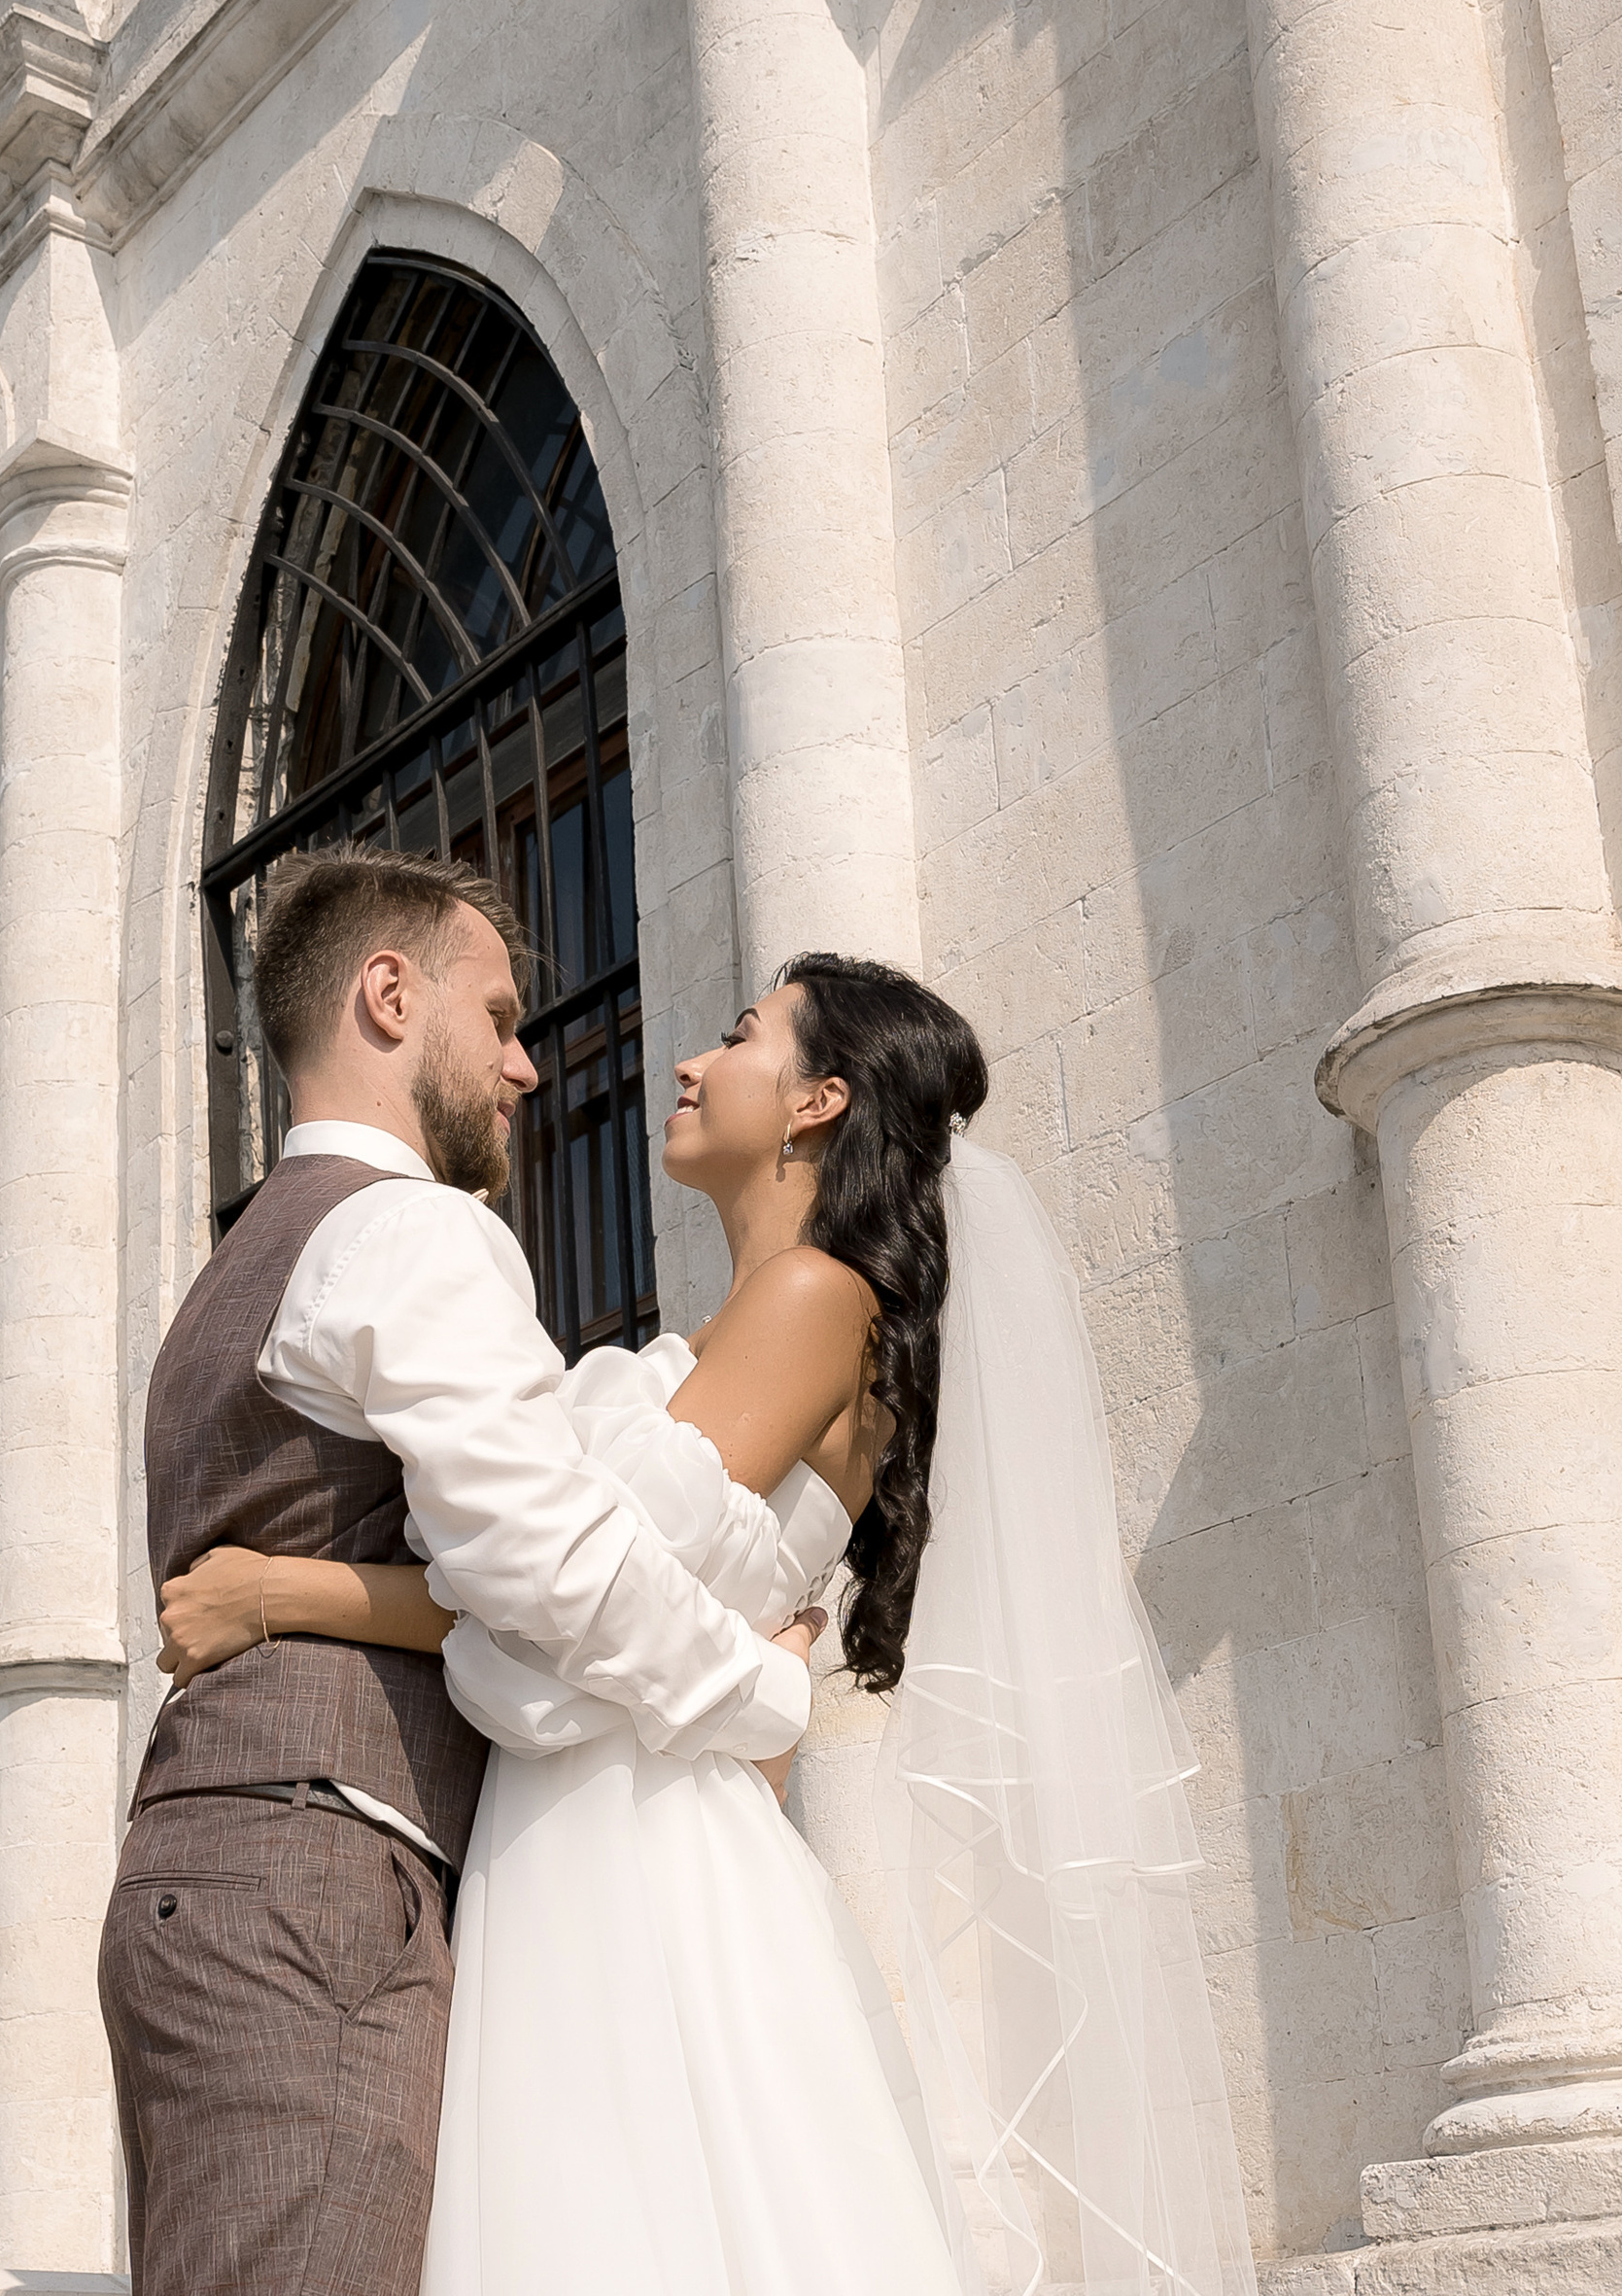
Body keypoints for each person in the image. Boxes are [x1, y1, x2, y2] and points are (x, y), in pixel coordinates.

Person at [159, 951, 1260, 2296]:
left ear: (816, 1103)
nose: (688, 1064)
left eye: (742, 1037)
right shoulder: (753, 1330)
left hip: (628, 1846)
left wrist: (287, 1592)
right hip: (598, 1823)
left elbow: (549, 1612)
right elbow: (568, 1585)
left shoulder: (814, 1299)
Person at [98, 848, 817, 2296]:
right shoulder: (411, 1229)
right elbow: (542, 1552)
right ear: (386, 997)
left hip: (242, 1866)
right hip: (312, 1885)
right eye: (494, 1018)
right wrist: (762, 1692)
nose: (526, 1066)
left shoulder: (235, 1276)